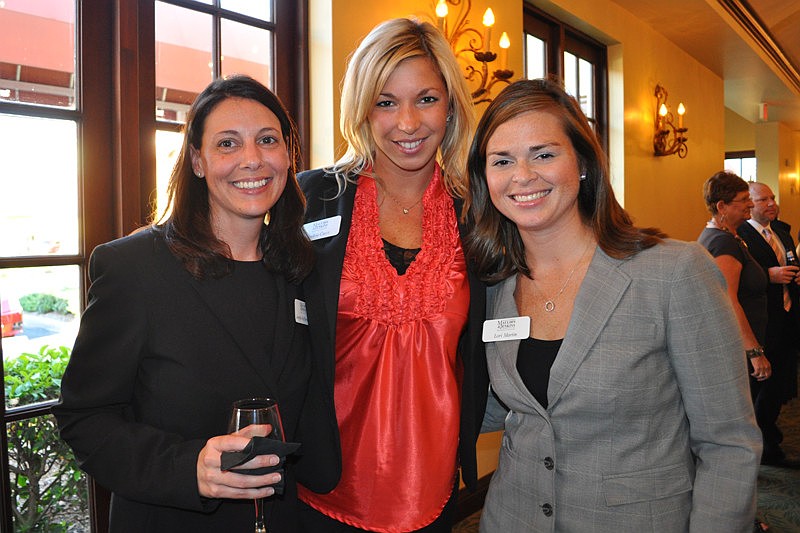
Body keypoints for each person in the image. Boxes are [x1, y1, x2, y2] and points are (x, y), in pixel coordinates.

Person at [466, 79, 761, 532]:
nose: (522, 175)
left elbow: (729, 443)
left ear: (583, 163)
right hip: (511, 517)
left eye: (543, 154)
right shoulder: (492, 285)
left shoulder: (674, 272)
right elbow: (493, 406)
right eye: (502, 160)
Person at [54, 75, 315, 532]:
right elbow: (85, 419)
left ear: (288, 154)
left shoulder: (302, 267)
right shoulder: (135, 268)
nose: (252, 159)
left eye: (267, 140)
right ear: (197, 160)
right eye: (228, 144)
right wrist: (187, 468)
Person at [296, 17, 487, 533]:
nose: (407, 123)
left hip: (435, 490)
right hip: (320, 490)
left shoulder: (479, 213)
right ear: (361, 108)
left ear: (450, 107)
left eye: (425, 99)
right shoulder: (309, 198)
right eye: (385, 101)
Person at [737, 181, 800, 466]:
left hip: (787, 318)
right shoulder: (740, 234)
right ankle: (761, 446)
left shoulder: (783, 231)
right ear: (750, 204)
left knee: (780, 385)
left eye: (772, 198)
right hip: (761, 323)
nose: (771, 204)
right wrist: (769, 274)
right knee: (758, 389)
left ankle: (770, 439)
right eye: (763, 200)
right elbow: (738, 278)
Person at [698, 171, 771, 387]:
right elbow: (727, 299)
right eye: (744, 200)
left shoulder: (729, 238)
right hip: (736, 348)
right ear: (722, 207)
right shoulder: (722, 243)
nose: (750, 204)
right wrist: (754, 351)